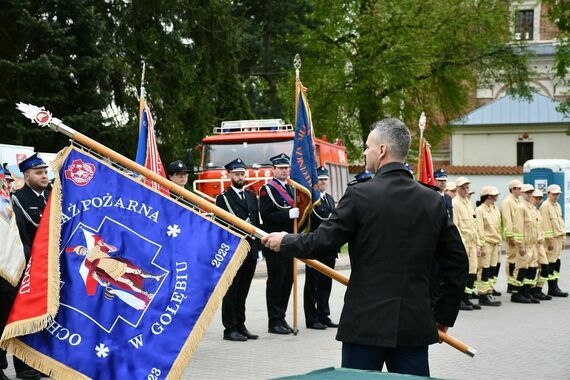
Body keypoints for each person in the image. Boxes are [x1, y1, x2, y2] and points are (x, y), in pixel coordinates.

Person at [262, 118, 467, 376]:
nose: (365, 152)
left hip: (365, 326)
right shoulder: (432, 201)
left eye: (368, 147)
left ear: (382, 150)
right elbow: (458, 263)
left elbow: (322, 242)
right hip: (414, 325)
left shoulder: (360, 195)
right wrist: (443, 316)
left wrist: (285, 241)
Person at [1, 154, 50, 380]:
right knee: (23, 317)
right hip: (27, 267)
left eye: (45, 172)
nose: (44, 176)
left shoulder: (54, 197)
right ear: (27, 175)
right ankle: (20, 365)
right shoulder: (17, 200)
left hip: (50, 269)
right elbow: (22, 236)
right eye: (38, 172)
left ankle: (40, 362)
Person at [215, 158, 260, 341]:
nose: (240, 177)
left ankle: (241, 324)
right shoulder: (223, 198)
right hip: (234, 249)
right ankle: (230, 328)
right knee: (232, 291)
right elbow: (221, 225)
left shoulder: (251, 196)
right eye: (237, 174)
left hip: (250, 249)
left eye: (242, 174)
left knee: (243, 290)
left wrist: (259, 249)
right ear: (229, 175)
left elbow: (256, 223)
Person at [259, 153, 299, 335]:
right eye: (281, 168)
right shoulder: (267, 189)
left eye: (286, 168)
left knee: (287, 280)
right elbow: (266, 216)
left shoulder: (291, 189)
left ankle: (281, 317)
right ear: (273, 169)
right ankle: (273, 321)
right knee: (277, 280)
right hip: (275, 242)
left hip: (289, 241)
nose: (284, 171)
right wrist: (287, 215)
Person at [303, 166, 338, 330]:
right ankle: (312, 317)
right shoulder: (312, 200)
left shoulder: (330, 199)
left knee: (326, 283)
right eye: (320, 179)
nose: (323, 182)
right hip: (315, 248)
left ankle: (324, 314)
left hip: (329, 249)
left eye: (325, 179)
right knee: (312, 285)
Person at [452, 177, 481, 311]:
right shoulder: (455, 204)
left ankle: (467, 298)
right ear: (457, 189)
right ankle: (459, 300)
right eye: (462, 188)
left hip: (472, 244)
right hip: (463, 244)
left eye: (467, 187)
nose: (465, 190)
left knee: (472, 272)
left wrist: (478, 244)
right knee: (463, 273)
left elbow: (474, 225)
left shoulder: (468, 203)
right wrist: (460, 245)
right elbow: (455, 226)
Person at [511, 184, 540, 303]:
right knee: (521, 268)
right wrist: (521, 244)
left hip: (533, 244)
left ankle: (526, 292)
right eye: (527, 192)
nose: (529, 194)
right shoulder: (520, 207)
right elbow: (518, 227)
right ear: (522, 194)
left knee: (532, 269)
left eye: (531, 192)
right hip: (525, 244)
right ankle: (516, 294)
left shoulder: (532, 208)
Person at [429, 168, 454, 306]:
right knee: (433, 272)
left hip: (446, 239)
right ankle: (431, 300)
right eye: (439, 180)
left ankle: (437, 298)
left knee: (442, 273)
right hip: (434, 240)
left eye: (444, 181)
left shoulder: (448, 199)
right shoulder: (430, 196)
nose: (442, 183)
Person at [474, 186, 502, 306]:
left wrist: (500, 242)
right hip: (486, 243)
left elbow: (498, 227)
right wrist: (480, 245)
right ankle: (483, 294)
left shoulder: (495, 209)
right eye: (494, 195)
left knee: (491, 269)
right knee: (484, 269)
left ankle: (489, 291)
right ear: (489, 196)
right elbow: (479, 228)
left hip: (495, 243)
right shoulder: (480, 210)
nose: (496, 197)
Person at [540, 184, 568, 297]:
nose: (556, 196)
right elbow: (546, 224)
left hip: (558, 237)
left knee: (557, 262)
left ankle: (555, 286)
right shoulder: (545, 206)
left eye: (557, 194)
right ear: (548, 194)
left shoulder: (557, 205)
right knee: (550, 263)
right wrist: (550, 240)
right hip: (551, 239)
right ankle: (551, 287)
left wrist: (564, 238)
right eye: (554, 194)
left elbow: (560, 222)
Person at [501, 179, 522, 293]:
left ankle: (514, 281)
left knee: (517, 259)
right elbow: (507, 219)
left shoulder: (517, 201)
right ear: (512, 189)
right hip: (512, 235)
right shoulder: (507, 201)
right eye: (518, 188)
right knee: (511, 260)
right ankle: (510, 283)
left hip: (518, 235)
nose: (520, 190)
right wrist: (510, 236)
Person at [531, 190, 552, 301]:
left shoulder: (537, 211)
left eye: (540, 198)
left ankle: (538, 289)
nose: (538, 200)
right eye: (536, 198)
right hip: (532, 244)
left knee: (545, 266)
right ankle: (532, 290)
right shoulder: (529, 210)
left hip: (540, 244)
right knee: (532, 268)